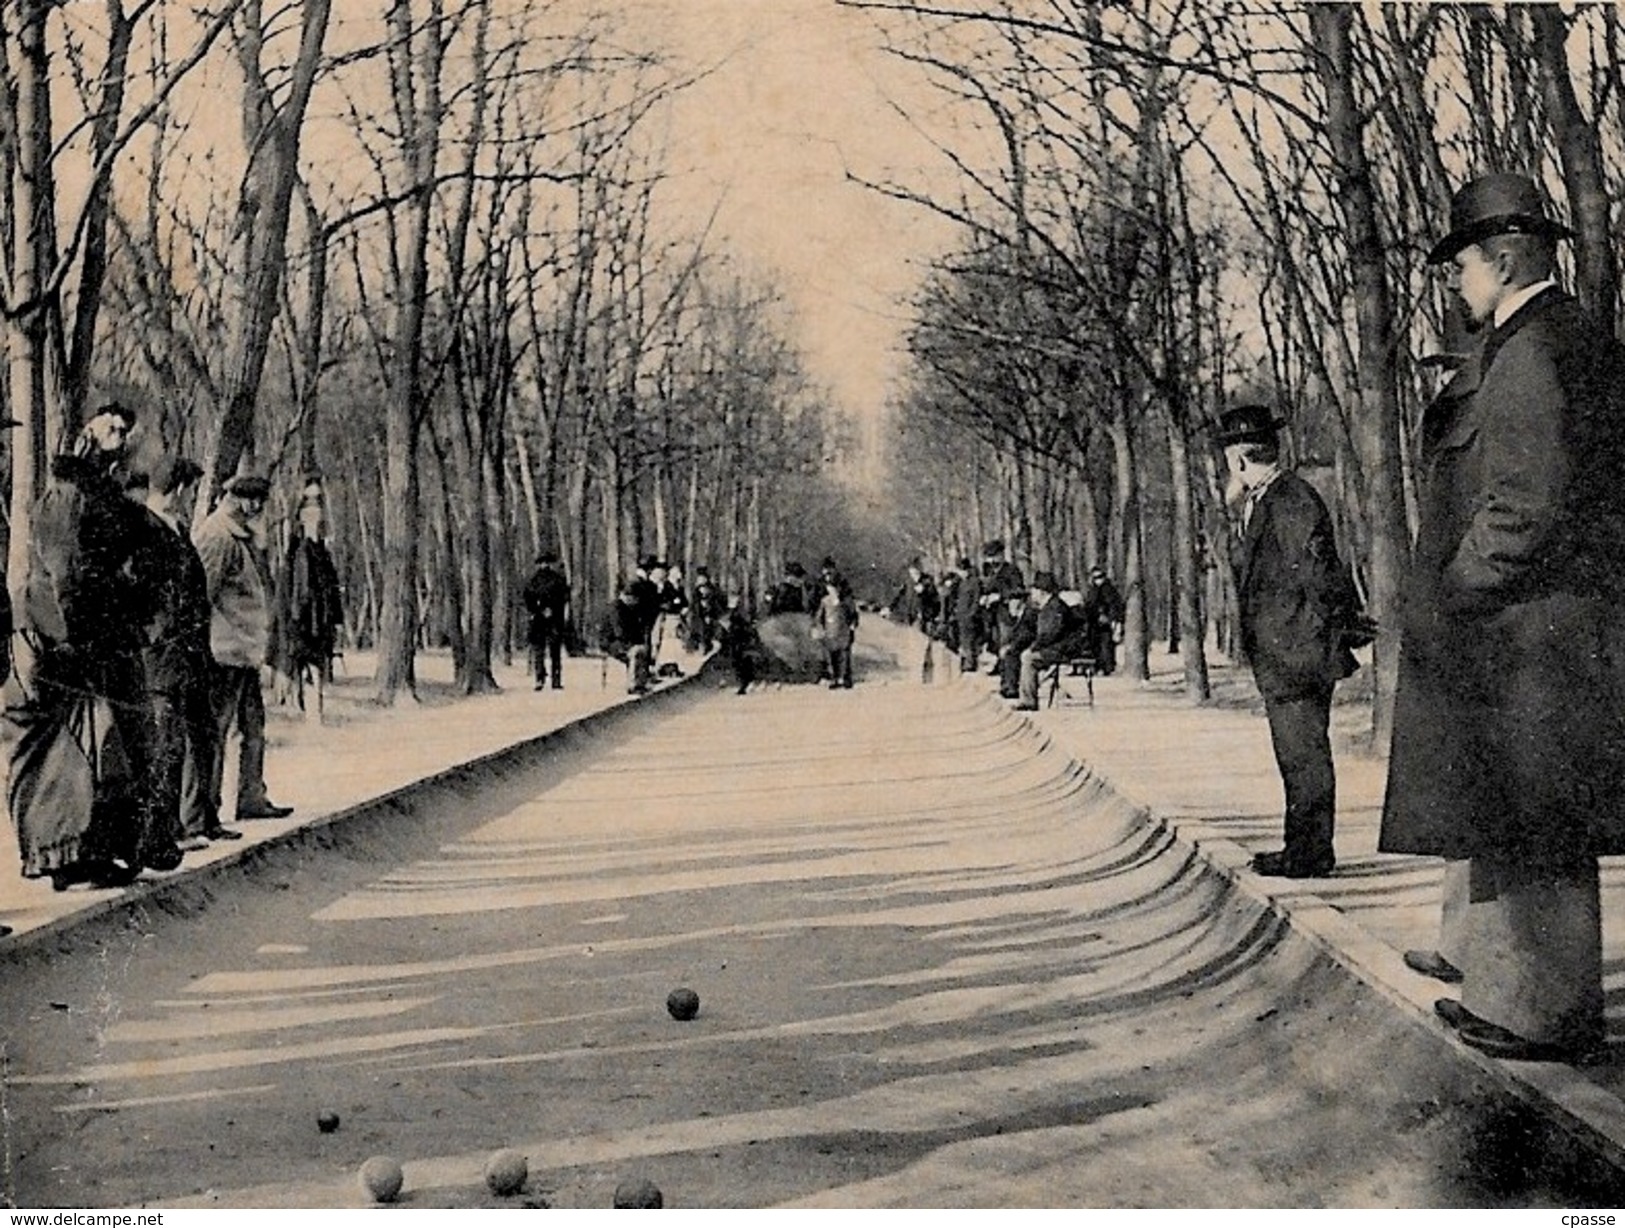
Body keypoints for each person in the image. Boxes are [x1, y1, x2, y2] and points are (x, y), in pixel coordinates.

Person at [1380, 172, 1625, 1061]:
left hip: (1532, 633)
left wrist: (1454, 587)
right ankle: (1510, 997)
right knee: (1520, 822)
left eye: (1462, 265)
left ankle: (1546, 1016)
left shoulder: (1535, 350)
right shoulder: (1549, 339)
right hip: (1535, 631)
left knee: (1541, 824)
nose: (1454, 281)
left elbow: (1524, 504)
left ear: (1506, 258)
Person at [9, 405, 159, 890]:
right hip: (63, 638)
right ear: (86, 430)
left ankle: (97, 849)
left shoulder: (104, 491)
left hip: (99, 636)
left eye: (123, 429)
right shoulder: (66, 494)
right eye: (108, 425)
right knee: (70, 752)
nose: (118, 434)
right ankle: (66, 856)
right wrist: (75, 639)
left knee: (101, 747)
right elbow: (64, 573)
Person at [1219, 403, 1358, 880]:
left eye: (1227, 458)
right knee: (1295, 756)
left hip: (1297, 654)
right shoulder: (1271, 500)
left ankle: (1311, 854)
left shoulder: (1290, 500)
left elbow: (1322, 576)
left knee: (1304, 757)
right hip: (1287, 652)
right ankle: (1300, 845)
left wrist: (1320, 638)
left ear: (1239, 459)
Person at [128, 460, 242, 855]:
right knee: (168, 743)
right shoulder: (147, 528)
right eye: (191, 491)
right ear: (177, 490)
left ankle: (199, 819)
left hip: (191, 654)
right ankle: (168, 829)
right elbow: (146, 594)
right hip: (164, 656)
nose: (193, 498)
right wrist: (164, 634)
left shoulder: (177, 530)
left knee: (201, 735)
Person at [196, 474, 293, 823]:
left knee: (252, 728)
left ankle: (251, 797)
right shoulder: (217, 536)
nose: (257, 508)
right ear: (240, 500)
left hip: (245, 653)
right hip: (224, 652)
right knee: (218, 730)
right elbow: (201, 594)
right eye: (253, 501)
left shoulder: (242, 537)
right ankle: (206, 810)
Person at [284, 478, 345, 706]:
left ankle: (314, 711)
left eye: (317, 503)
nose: (312, 510)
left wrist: (337, 618)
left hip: (321, 620)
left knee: (319, 665)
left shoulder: (323, 551)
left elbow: (331, 586)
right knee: (303, 663)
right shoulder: (295, 550)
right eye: (307, 503)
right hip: (301, 621)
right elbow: (290, 588)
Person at [1015, 571, 1086, 711]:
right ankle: (1026, 696)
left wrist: (1034, 647)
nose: (1032, 594)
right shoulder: (1048, 606)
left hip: (1063, 649)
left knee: (1028, 658)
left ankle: (1029, 700)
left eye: (1034, 590)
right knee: (1026, 655)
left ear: (1042, 592)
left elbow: (1050, 634)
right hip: (1058, 647)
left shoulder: (1054, 607)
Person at [522, 553, 570, 691]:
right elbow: (528, 598)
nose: (545, 565)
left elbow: (564, 597)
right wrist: (538, 610)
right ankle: (540, 678)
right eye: (543, 563)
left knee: (553, 650)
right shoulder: (533, 581)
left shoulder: (557, 579)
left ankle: (555, 679)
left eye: (547, 562)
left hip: (553, 618)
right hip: (539, 619)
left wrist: (551, 609)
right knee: (539, 650)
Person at [979, 540, 1025, 671]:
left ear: (1001, 555)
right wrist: (984, 597)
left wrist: (1000, 596)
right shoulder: (990, 572)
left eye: (994, 556)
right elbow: (986, 588)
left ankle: (1008, 670)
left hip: (1006, 614)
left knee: (1007, 642)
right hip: (992, 615)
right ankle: (1001, 668)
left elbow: (1019, 590)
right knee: (995, 642)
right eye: (989, 557)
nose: (992, 560)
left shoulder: (1011, 571)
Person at [602, 581, 652, 694]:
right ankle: (632, 685)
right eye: (635, 599)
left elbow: (636, 629)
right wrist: (632, 645)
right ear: (629, 597)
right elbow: (619, 631)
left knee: (642, 650)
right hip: (612, 642)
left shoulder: (630, 608)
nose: (636, 602)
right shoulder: (615, 608)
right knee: (635, 652)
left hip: (623, 640)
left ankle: (641, 682)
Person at [814, 576, 859, 689]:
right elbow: (819, 617)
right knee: (833, 657)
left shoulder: (847, 601)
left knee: (844, 656)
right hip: (830, 632)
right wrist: (820, 628)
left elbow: (854, 615)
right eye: (830, 588)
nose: (833, 590)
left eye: (834, 588)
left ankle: (845, 678)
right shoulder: (825, 601)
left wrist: (853, 625)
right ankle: (835, 678)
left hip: (844, 632)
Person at [1080, 566, 1125, 674]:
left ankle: (1107, 667)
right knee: (1095, 644)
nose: (1097, 580)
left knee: (1106, 645)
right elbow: (1089, 605)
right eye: (1095, 577)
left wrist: (1111, 618)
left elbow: (1115, 605)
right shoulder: (1092, 590)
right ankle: (1097, 666)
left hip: (1105, 622)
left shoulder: (1109, 589)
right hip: (1093, 622)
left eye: (1099, 577)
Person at [719, 593, 759, 695]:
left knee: (742, 662)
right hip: (735, 641)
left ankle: (745, 683)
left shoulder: (739, 613)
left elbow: (746, 626)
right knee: (738, 662)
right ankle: (744, 682)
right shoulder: (730, 614)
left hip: (740, 641)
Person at [890, 558, 940, 630]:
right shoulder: (908, 581)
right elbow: (900, 595)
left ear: (919, 571)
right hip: (909, 614)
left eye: (915, 573)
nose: (913, 576)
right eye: (911, 573)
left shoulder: (927, 581)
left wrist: (924, 591)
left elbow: (934, 597)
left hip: (922, 616)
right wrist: (890, 608)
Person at [954, 556, 983, 674]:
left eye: (962, 570)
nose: (961, 573)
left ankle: (970, 664)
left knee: (970, 640)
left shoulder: (975, 582)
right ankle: (964, 661)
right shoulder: (961, 583)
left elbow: (976, 600)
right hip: (961, 615)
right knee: (962, 640)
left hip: (970, 616)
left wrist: (972, 613)